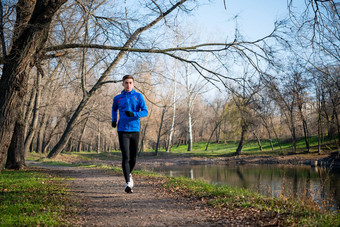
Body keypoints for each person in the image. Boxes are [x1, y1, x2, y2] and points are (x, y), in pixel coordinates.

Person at [111, 75, 148, 193]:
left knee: (133, 157)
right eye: (126, 83)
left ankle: (129, 174)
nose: (128, 85)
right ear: (123, 84)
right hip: (122, 130)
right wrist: (113, 120)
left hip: (135, 129)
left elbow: (145, 111)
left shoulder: (138, 96)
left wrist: (135, 115)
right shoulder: (118, 98)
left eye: (130, 83)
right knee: (125, 156)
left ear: (133, 84)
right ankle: (128, 182)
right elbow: (114, 109)